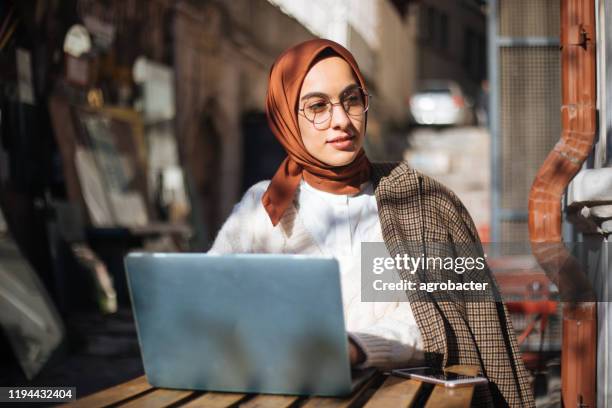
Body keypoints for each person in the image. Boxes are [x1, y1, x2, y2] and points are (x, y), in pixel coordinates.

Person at [209, 39, 534, 407]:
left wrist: (354, 347)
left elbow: (437, 317)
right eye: (317, 106)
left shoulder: (420, 202)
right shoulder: (261, 207)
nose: (342, 120)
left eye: (352, 99)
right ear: (286, 117)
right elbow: (208, 303)